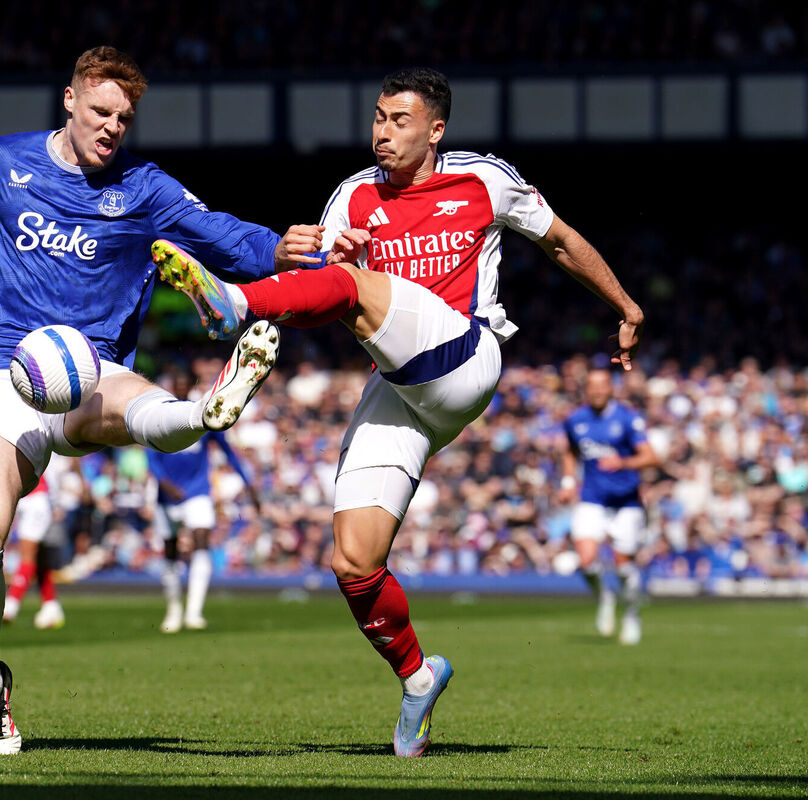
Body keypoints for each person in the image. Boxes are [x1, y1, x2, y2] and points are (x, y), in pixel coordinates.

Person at [0, 46, 322, 755]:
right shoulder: (0, 162)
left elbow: (226, 235)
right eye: (101, 111)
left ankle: (207, 409)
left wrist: (283, 251)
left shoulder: (146, 189)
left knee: (152, 412)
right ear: (69, 100)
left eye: (124, 118)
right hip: (3, 371)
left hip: (93, 369)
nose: (111, 127)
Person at [153, 66, 645, 757]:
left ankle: (232, 304)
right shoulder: (352, 196)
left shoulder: (483, 180)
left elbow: (560, 240)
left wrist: (624, 307)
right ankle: (418, 678)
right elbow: (314, 294)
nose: (382, 132)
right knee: (353, 562)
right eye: (379, 118)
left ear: (436, 129)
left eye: (400, 121)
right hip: (401, 385)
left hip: (469, 358)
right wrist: (313, 257)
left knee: (348, 285)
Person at [150, 369, 262, 633]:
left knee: (201, 541)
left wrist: (248, 483)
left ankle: (194, 612)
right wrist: (164, 482)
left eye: (183, 382)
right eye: (175, 382)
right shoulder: (160, 415)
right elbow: (150, 454)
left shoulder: (201, 416)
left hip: (197, 492)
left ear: (190, 386)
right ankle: (174, 609)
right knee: (171, 551)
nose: (179, 387)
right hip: (167, 496)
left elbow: (229, 452)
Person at [558, 366, 659, 645]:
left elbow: (651, 457)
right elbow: (570, 451)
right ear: (586, 389)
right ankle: (605, 596)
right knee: (586, 560)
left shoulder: (627, 419)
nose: (597, 390)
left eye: (602, 385)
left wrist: (623, 462)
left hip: (626, 502)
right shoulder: (576, 419)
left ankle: (631, 615)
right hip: (592, 498)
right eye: (592, 386)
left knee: (623, 566)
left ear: (611, 388)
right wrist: (568, 483)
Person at [2, 474, 65, 629]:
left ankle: (11, 605)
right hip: (29, 500)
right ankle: (51, 606)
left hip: (35, 500)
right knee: (39, 556)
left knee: (27, 555)